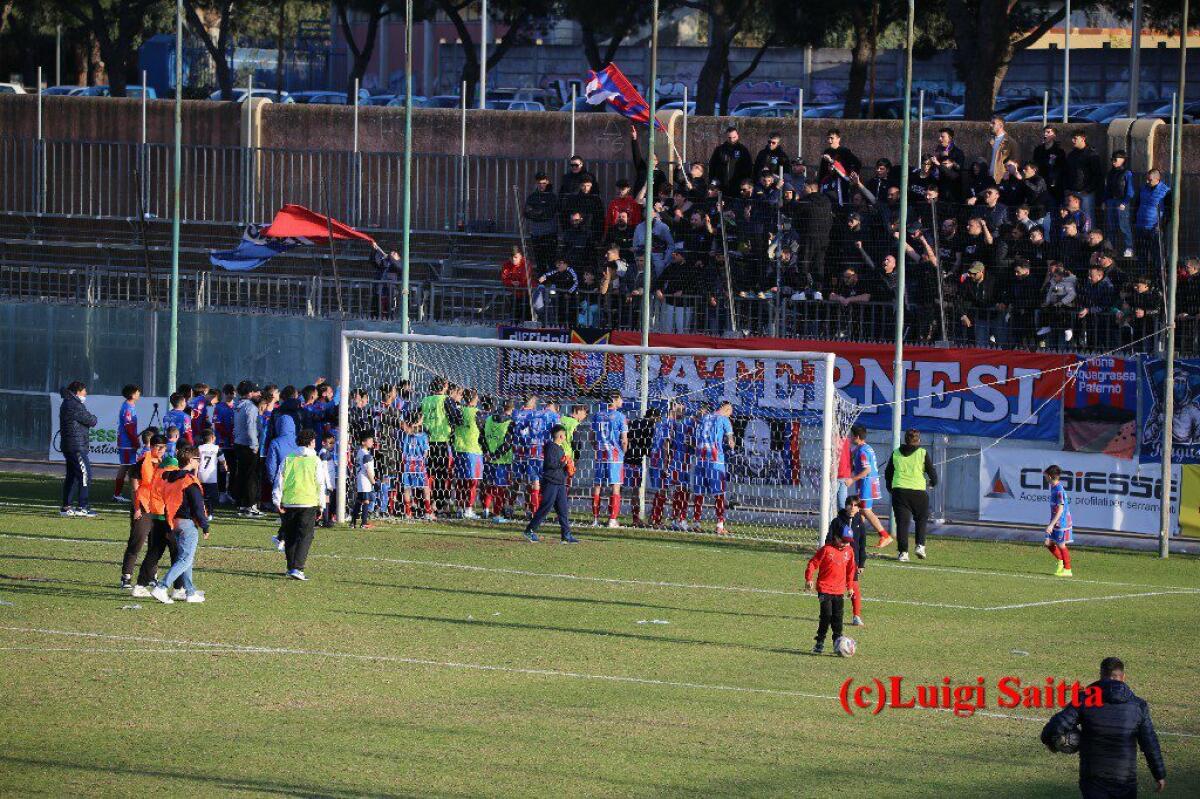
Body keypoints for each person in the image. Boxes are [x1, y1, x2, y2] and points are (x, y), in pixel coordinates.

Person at [1041, 657, 1166, 798]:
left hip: (1093, 779)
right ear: (1123, 677)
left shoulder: (1084, 699)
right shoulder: (1138, 706)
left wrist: (1049, 741)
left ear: (1101, 675)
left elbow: (1057, 725)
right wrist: (1159, 774)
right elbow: (1149, 743)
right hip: (1125, 780)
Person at [149, 446, 209, 604]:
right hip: (187, 522)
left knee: (185, 558)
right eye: (197, 459)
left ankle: (190, 592)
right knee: (185, 559)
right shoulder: (189, 481)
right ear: (191, 461)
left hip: (174, 521)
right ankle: (162, 587)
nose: (199, 462)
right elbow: (197, 506)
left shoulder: (171, 477)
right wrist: (205, 525)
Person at [271, 429, 331, 581]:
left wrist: (277, 500)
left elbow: (279, 480)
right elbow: (320, 483)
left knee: (290, 535)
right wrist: (322, 504)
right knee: (305, 536)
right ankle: (298, 568)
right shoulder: (315, 460)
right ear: (311, 442)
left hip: (289, 502)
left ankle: (291, 567)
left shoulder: (289, 458)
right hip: (308, 502)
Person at [884, 429, 938, 563]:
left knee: (902, 523)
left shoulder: (896, 453)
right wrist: (933, 482)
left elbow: (888, 473)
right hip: (918, 491)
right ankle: (920, 545)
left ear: (905, 439)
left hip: (900, 491)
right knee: (921, 519)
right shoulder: (922, 453)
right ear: (918, 440)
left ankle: (903, 553)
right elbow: (932, 472)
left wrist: (890, 488)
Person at [120, 433, 166, 589]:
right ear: (152, 447)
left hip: (159, 509)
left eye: (164, 447)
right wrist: (137, 508)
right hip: (144, 509)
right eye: (159, 447)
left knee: (155, 545)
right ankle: (126, 576)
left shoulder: (165, 464)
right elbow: (134, 490)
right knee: (137, 542)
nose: (161, 450)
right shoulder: (139, 465)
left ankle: (151, 575)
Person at [804, 524, 857, 655]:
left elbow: (851, 570)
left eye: (848, 542)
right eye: (843, 540)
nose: (845, 544)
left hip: (839, 590)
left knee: (838, 618)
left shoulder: (849, 551)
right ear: (835, 537)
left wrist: (849, 587)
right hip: (824, 588)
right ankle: (819, 642)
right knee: (826, 616)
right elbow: (813, 562)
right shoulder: (826, 550)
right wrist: (809, 578)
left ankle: (837, 642)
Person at [522, 425, 578, 543]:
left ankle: (566, 535)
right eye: (564, 435)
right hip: (551, 482)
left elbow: (560, 464)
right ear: (561, 435)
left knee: (563, 509)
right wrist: (563, 462)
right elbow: (550, 464)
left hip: (560, 482)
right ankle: (529, 530)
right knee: (545, 507)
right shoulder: (551, 447)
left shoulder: (560, 448)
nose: (565, 437)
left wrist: (568, 467)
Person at [691, 401, 735, 535]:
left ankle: (696, 523)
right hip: (715, 460)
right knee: (719, 494)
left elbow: (695, 436)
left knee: (699, 493)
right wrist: (732, 449)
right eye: (730, 413)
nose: (730, 416)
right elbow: (730, 441)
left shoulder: (705, 417)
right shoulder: (724, 420)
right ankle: (719, 526)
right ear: (727, 409)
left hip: (700, 459)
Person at [59, 380, 98, 518]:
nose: (86, 393)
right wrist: (93, 417)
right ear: (77, 392)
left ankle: (66, 507)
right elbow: (91, 420)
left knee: (73, 476)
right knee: (85, 474)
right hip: (76, 446)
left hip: (70, 445)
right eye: (84, 391)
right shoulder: (74, 405)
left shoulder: (68, 403)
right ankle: (83, 506)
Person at [847, 425, 891, 548]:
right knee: (860, 510)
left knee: (866, 510)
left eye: (851, 435)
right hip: (867, 483)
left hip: (866, 484)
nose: (850, 437)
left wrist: (852, 479)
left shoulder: (862, 451)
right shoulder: (864, 448)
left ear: (856, 437)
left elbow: (867, 469)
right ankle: (856, 537)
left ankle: (885, 535)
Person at [827, 495, 867, 626]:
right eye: (850, 504)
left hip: (852, 561)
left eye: (855, 505)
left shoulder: (859, 522)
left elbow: (862, 544)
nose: (852, 507)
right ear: (845, 506)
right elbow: (829, 540)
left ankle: (856, 615)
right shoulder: (837, 521)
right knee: (834, 587)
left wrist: (861, 563)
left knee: (854, 586)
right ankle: (831, 613)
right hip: (837, 560)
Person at [590, 392, 629, 528]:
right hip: (615, 456)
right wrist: (623, 453)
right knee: (615, 487)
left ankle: (595, 519)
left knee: (597, 487)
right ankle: (612, 520)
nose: (622, 401)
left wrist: (597, 449)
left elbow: (591, 437)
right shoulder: (620, 417)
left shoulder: (597, 415)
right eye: (621, 399)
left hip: (601, 455)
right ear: (615, 399)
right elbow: (624, 441)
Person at [420, 378, 454, 515]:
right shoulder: (446, 399)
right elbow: (455, 416)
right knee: (441, 475)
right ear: (444, 386)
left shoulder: (425, 400)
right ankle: (438, 505)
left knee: (430, 474)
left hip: (428, 441)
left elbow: (420, 417)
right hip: (441, 441)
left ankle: (430, 503)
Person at [449, 388, 484, 519]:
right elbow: (483, 432)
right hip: (473, 451)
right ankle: (468, 509)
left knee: (460, 481)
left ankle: (459, 508)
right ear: (475, 399)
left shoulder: (459, 411)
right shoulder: (477, 413)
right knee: (472, 482)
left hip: (459, 449)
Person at [233, 380, 263, 516]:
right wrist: (254, 445)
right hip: (248, 445)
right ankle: (250, 505)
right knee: (251, 477)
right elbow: (251, 427)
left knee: (242, 475)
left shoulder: (238, 405)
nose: (258, 393)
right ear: (250, 392)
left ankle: (242, 504)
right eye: (256, 391)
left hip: (239, 443)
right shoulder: (250, 407)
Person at [482, 399, 515, 523]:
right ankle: (496, 515)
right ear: (511, 409)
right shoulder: (510, 423)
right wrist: (495, 456)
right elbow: (507, 444)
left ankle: (485, 510)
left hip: (488, 458)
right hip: (502, 461)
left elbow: (482, 437)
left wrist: (487, 453)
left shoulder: (489, 419)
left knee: (489, 486)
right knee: (500, 488)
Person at [1043, 464, 1074, 577]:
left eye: (1046, 476)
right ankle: (1060, 561)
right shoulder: (1053, 487)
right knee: (1048, 543)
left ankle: (1068, 569)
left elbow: (1061, 509)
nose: (1045, 478)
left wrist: (1051, 525)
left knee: (1061, 545)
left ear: (1050, 477)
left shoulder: (1059, 491)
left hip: (1061, 522)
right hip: (1054, 520)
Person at [1104, 150, 1136, 258]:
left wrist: (1125, 202)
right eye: (1112, 159)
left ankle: (1128, 248)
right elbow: (1107, 188)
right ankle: (1112, 249)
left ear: (1123, 160)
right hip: (1111, 201)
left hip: (1121, 202)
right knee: (1111, 226)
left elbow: (1130, 191)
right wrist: (1105, 200)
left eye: (1115, 159)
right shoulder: (1110, 173)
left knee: (1124, 226)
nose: (1113, 162)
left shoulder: (1127, 173)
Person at [112, 383, 141, 503]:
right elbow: (128, 427)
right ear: (133, 394)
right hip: (127, 443)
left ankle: (121, 494)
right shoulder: (128, 408)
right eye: (138, 392)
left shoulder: (130, 406)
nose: (139, 394)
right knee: (126, 466)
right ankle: (117, 494)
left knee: (128, 467)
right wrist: (135, 441)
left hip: (127, 442)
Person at [708, 126, 753, 194]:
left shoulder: (743, 150)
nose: (732, 140)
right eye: (729, 138)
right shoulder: (719, 149)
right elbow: (712, 166)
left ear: (737, 136)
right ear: (726, 137)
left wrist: (746, 182)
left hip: (738, 186)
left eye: (734, 137)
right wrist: (712, 181)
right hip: (721, 185)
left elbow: (748, 166)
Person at [196, 429, 225, 516]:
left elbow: (196, 461)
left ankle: (202, 512)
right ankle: (210, 513)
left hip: (201, 476)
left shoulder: (199, 448)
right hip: (212, 477)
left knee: (201, 496)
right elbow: (222, 460)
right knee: (211, 498)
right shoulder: (216, 448)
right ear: (212, 438)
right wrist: (225, 467)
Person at [351, 430, 376, 529]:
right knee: (366, 501)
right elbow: (368, 470)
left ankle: (352, 523)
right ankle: (364, 523)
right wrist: (373, 482)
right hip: (365, 480)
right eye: (370, 440)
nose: (372, 442)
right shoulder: (365, 454)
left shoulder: (360, 452)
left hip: (360, 479)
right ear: (363, 442)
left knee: (359, 500)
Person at [988, 115, 1018, 183]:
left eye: (993, 123)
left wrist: (1007, 173)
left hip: (1002, 180)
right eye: (991, 123)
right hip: (989, 178)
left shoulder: (1011, 142)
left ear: (1001, 126)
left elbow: (1015, 162)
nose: (990, 125)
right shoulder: (989, 141)